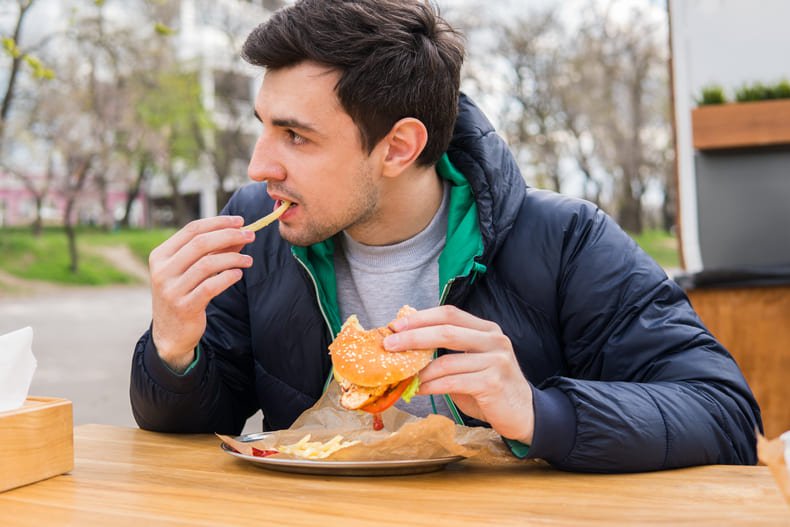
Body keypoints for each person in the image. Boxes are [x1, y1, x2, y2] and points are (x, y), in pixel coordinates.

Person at [130, 0, 761, 472]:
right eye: (264, 126)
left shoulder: (566, 241)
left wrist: (538, 412)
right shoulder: (260, 230)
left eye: (296, 136)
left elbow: (726, 416)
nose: (259, 165)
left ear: (399, 146)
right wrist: (175, 350)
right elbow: (201, 425)